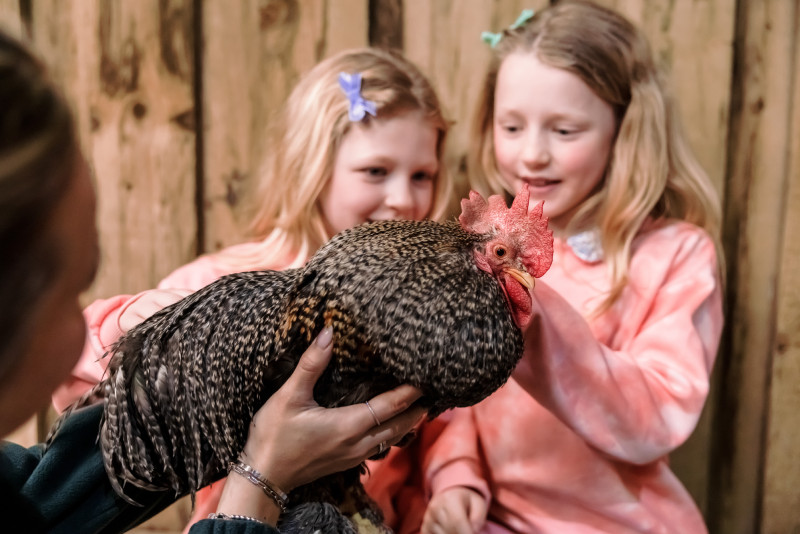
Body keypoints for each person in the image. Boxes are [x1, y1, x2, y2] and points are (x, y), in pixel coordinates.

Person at [0, 29, 426, 533]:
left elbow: (41, 500)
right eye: (71, 289)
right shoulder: (227, 281)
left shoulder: (410, 313)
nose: (403, 199)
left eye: (424, 175)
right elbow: (98, 374)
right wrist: (261, 472)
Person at [377, 2, 724, 533]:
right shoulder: (481, 241)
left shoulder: (674, 255)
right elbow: (452, 398)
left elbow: (659, 413)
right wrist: (457, 477)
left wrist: (535, 317)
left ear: (625, 129)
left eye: (564, 132)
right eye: (512, 126)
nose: (532, 154)